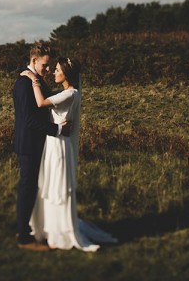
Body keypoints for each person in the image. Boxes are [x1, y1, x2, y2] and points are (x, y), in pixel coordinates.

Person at [21, 57, 117, 252]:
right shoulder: (67, 92)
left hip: (58, 146)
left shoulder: (70, 94)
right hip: (54, 142)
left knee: (56, 186)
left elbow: (40, 102)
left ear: (67, 74)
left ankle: (59, 231)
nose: (54, 72)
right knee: (50, 184)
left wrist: (33, 79)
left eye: (57, 70)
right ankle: (50, 228)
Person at [12, 43, 71, 251]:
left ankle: (34, 228)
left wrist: (70, 89)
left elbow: (47, 98)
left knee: (34, 187)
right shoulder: (23, 83)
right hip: (28, 143)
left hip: (38, 142)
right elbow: (28, 120)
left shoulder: (35, 80)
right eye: (45, 65)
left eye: (49, 66)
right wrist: (57, 130)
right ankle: (23, 237)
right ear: (34, 60)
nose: (47, 70)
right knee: (27, 187)